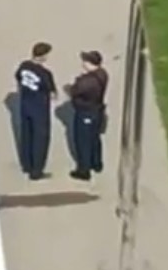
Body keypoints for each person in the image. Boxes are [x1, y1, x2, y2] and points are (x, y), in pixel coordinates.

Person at [13, 41, 58, 180]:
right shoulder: (45, 74)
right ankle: (36, 171)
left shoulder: (24, 66)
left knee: (27, 135)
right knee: (40, 139)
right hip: (39, 109)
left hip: (25, 106)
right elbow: (52, 93)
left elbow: (18, 76)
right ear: (44, 56)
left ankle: (27, 164)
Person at [65, 50, 109, 181]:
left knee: (83, 140)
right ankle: (96, 163)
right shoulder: (102, 74)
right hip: (97, 111)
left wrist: (78, 80)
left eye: (85, 61)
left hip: (86, 112)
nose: (83, 63)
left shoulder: (87, 82)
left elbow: (74, 91)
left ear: (90, 63)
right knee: (94, 137)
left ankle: (83, 170)